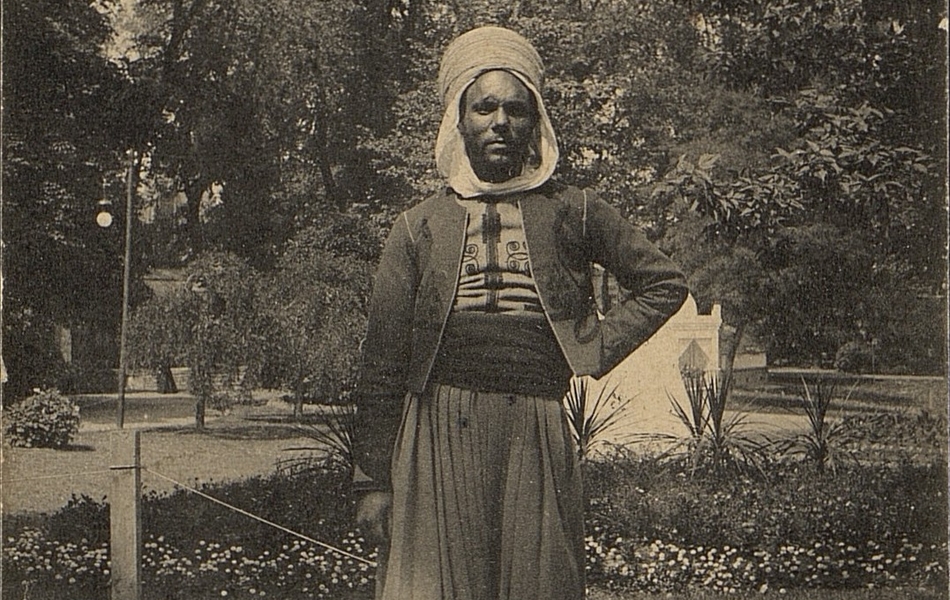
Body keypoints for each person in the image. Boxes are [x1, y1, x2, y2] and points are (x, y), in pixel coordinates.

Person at [353, 25, 688, 600]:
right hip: (435, 431)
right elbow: (382, 362)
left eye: (515, 108)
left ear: (536, 123)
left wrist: (594, 345)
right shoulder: (418, 225)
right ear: (459, 122)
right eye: (484, 108)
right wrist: (372, 481)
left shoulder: (574, 210)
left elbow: (663, 282)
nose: (500, 122)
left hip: (533, 425)